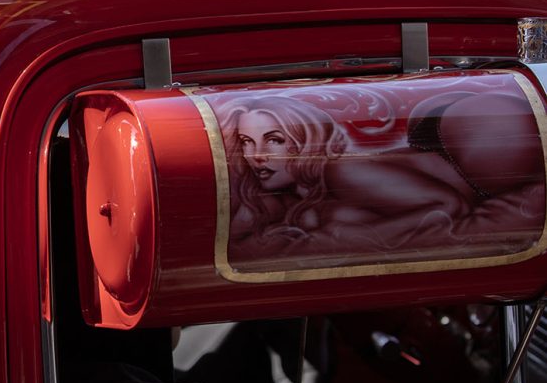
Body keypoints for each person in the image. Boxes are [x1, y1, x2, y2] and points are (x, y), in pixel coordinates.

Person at [219, 90, 545, 265]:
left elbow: (447, 205)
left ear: (302, 139)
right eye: (247, 142)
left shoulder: (340, 170)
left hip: (490, 151)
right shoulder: (314, 189)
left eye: (273, 139)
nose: (256, 155)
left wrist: (338, 242)